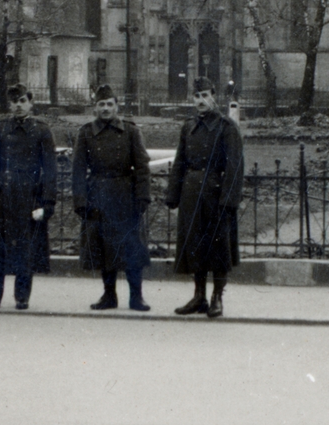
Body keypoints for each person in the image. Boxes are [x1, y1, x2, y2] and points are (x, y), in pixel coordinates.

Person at [167, 75, 244, 319]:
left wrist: (228, 200)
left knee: (218, 246)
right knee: (194, 244)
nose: (201, 101)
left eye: (205, 96)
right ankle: (199, 296)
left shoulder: (226, 127)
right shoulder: (188, 127)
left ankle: (217, 297)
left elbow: (234, 167)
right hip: (191, 193)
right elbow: (180, 162)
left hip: (215, 192)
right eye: (197, 96)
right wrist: (173, 196)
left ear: (213, 97)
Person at [0, 85, 57, 311]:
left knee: (25, 250)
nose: (18, 105)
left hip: (28, 198)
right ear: (9, 105)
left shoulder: (41, 130)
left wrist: (47, 201)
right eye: (14, 102)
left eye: (22, 100)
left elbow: (50, 170)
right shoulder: (1, 128)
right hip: (3, 197)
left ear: (31, 103)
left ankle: (22, 296)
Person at [73, 83, 151, 312]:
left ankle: (136, 297)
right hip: (98, 196)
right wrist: (80, 200)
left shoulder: (131, 131)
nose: (105, 108)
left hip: (126, 198)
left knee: (131, 249)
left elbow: (142, 167)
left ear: (117, 106)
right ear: (94, 107)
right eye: (101, 104)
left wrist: (142, 197)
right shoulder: (86, 133)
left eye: (109, 104)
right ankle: (109, 295)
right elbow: (78, 169)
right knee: (104, 249)